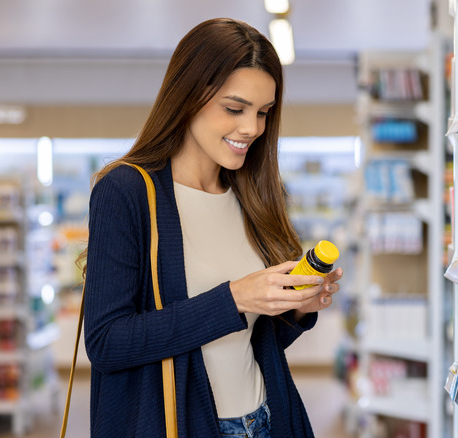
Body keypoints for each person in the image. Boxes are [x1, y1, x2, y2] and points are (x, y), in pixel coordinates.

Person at [77, 18, 343, 437]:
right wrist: (235, 297)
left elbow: (249, 345)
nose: (252, 128)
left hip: (267, 418)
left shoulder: (253, 193)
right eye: (234, 109)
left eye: (263, 113)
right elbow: (107, 343)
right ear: (188, 96)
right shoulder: (125, 191)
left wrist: (292, 309)